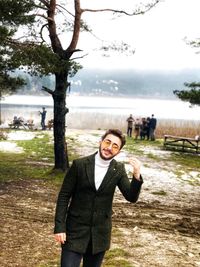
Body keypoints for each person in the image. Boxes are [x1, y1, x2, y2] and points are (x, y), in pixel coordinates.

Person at [54, 129, 143, 267]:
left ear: (118, 152)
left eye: (115, 146)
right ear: (100, 142)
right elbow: (64, 196)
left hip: (99, 236)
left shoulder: (118, 169)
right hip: (74, 232)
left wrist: (136, 175)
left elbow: (131, 197)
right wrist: (60, 227)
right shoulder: (80, 165)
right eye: (107, 142)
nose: (109, 148)